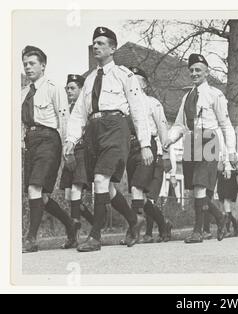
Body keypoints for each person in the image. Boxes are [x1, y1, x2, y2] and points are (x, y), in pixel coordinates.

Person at [64, 27, 153, 252]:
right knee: (106, 187)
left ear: (113, 48)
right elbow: (78, 114)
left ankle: (95, 236)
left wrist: (145, 144)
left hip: (116, 127)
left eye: (102, 43)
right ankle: (134, 220)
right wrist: (71, 140)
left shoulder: (125, 75)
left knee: (101, 177)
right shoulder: (90, 79)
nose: (96, 46)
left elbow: (138, 109)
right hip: (93, 130)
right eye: (94, 43)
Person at [164, 53, 236, 244]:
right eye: (192, 70)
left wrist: (230, 154)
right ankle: (220, 218)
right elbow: (179, 124)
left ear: (206, 72)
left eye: (198, 70)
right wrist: (169, 139)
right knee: (195, 189)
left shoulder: (215, 94)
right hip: (190, 141)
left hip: (208, 139)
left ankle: (198, 231)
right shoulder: (187, 97)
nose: (194, 73)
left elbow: (225, 125)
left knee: (199, 186)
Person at [21, 46, 76, 253]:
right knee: (39, 195)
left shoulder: (54, 88)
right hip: (30, 143)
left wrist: (66, 147)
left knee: (34, 188)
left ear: (43, 66)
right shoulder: (23, 94)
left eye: (32, 63)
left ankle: (31, 239)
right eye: (25, 64)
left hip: (49, 140)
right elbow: (21, 125)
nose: (28, 67)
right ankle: (70, 226)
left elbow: (64, 118)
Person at [122, 66, 173, 244]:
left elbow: (162, 128)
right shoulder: (125, 105)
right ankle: (164, 223)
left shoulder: (152, 103)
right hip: (130, 148)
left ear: (144, 84)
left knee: (138, 188)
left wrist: (166, 155)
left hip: (148, 147)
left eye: (137, 80)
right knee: (140, 197)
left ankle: (133, 230)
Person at [59, 74, 94, 247]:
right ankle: (96, 222)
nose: (69, 91)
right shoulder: (65, 109)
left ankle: (73, 235)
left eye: (73, 88)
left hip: (81, 151)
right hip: (69, 153)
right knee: (69, 196)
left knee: (75, 190)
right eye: (68, 88)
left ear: (81, 90)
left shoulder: (86, 108)